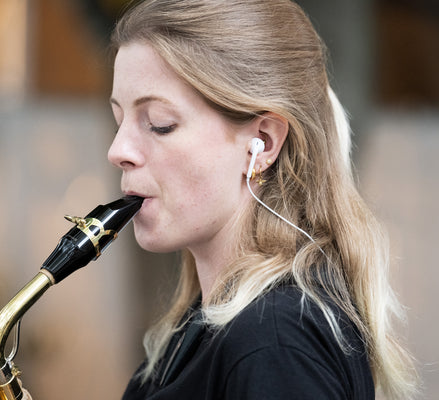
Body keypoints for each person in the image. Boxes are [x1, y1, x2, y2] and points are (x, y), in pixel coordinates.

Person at [105, 0, 419, 399]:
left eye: (159, 124)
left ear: (264, 142)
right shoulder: (212, 321)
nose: (118, 150)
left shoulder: (276, 344)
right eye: (120, 122)